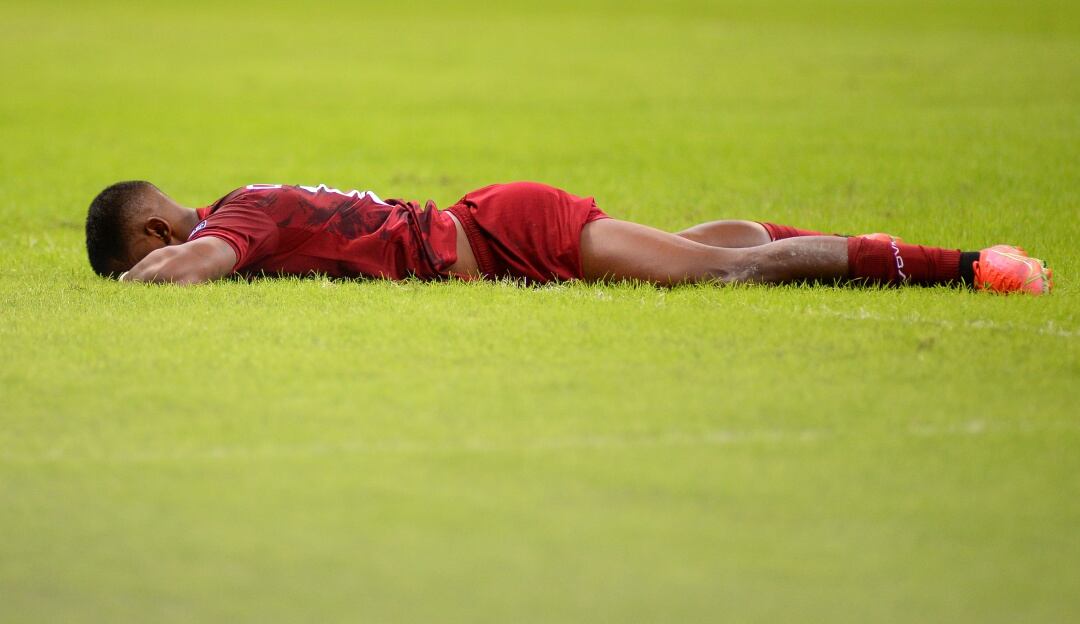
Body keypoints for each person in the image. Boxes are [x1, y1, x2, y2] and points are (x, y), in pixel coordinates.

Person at [84, 180, 1052, 294]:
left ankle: (964, 266)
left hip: (507, 232)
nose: (162, 257)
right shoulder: (253, 200)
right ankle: (777, 233)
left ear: (159, 228)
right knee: (708, 244)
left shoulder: (232, 220)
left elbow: (190, 270)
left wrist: (137, 285)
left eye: (146, 249)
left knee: (722, 273)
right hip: (494, 231)